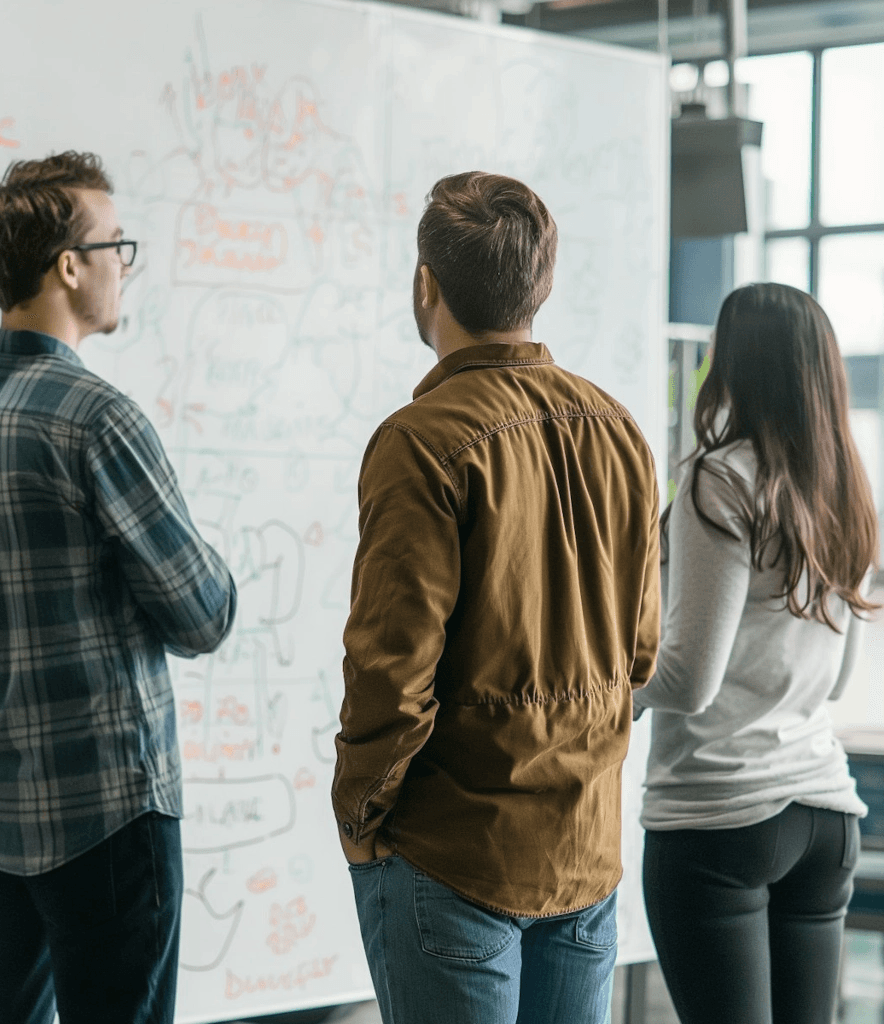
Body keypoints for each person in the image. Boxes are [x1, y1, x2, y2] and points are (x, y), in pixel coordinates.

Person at [0, 152, 237, 1024]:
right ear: (69, 266)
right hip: (104, 817)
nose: (123, 267)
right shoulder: (97, 418)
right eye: (116, 246)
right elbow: (204, 616)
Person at [331, 171, 661, 1024]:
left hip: (455, 856)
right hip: (585, 854)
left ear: (425, 284)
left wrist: (362, 817)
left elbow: (390, 672)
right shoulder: (620, 430)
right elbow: (641, 653)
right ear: (540, 288)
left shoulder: (421, 442)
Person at [633, 282, 880, 1024]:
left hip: (721, 818)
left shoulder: (721, 477)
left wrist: (600, 689)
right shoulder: (846, 488)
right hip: (825, 817)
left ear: (734, 364)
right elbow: (837, 680)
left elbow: (688, 680)